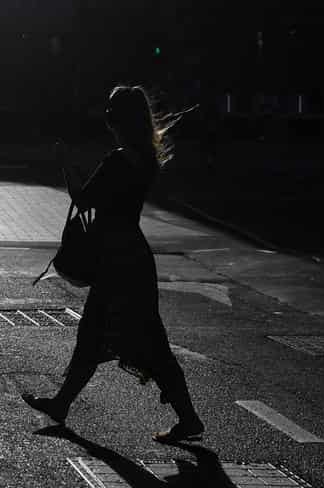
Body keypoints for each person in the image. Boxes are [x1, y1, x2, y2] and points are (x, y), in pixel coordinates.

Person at [21, 86, 205, 444]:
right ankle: (62, 403)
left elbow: (84, 199)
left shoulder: (117, 160)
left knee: (108, 336)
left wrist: (65, 163)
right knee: (139, 338)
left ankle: (188, 417)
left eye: (109, 113)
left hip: (113, 261)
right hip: (133, 258)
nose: (105, 119)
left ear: (118, 119)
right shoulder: (146, 158)